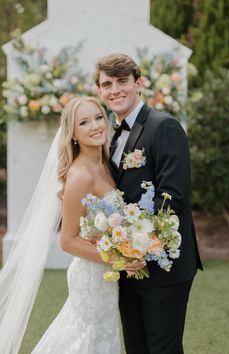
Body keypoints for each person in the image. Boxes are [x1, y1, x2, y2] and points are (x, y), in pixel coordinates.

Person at [1, 96, 145, 354]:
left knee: (100, 337)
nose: (96, 126)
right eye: (84, 122)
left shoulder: (104, 163)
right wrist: (120, 258)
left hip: (106, 277)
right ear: (73, 134)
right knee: (85, 341)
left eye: (99, 117)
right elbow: (67, 240)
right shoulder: (80, 175)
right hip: (91, 277)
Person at [95, 53, 203, 354]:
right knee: (136, 348)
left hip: (164, 265)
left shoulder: (164, 127)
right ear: (99, 91)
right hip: (128, 266)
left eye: (122, 81)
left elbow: (174, 196)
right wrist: (120, 248)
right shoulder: (111, 137)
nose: (114, 90)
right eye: (107, 84)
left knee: (162, 349)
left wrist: (133, 241)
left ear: (138, 84)